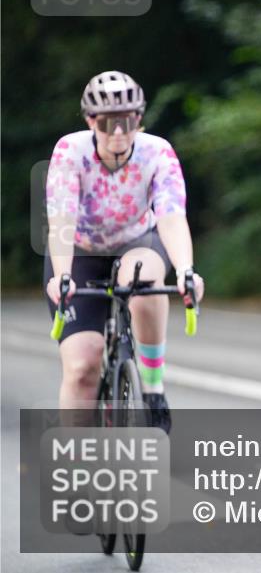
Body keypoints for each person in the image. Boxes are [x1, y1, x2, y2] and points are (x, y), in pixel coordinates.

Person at [44, 71, 205, 433]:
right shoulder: (71, 151)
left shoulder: (157, 152)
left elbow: (172, 216)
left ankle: (152, 387)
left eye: (127, 122)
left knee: (144, 281)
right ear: (90, 122)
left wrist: (185, 271)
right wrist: (62, 275)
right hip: (81, 251)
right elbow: (62, 220)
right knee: (82, 367)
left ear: (140, 119)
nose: (118, 133)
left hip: (137, 242)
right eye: (106, 124)